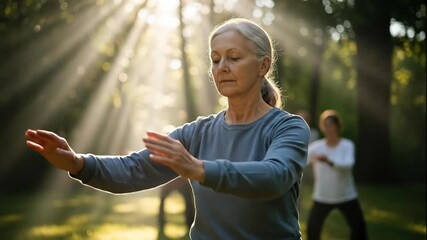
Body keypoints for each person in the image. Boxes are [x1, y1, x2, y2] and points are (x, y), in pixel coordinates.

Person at [25, 18, 310, 239]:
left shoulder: (287, 127)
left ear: (263, 66)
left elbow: (275, 176)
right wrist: (77, 162)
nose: (222, 67)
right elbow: (133, 169)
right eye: (215, 59)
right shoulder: (196, 133)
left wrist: (199, 169)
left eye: (234, 57)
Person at [306, 109, 367, 240]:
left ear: (337, 126)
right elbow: (301, 159)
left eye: (331, 125)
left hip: (346, 196)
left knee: (359, 230)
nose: (328, 129)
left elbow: (348, 165)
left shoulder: (347, 145)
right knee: (312, 231)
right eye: (325, 125)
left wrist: (328, 161)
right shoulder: (317, 147)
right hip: (322, 196)